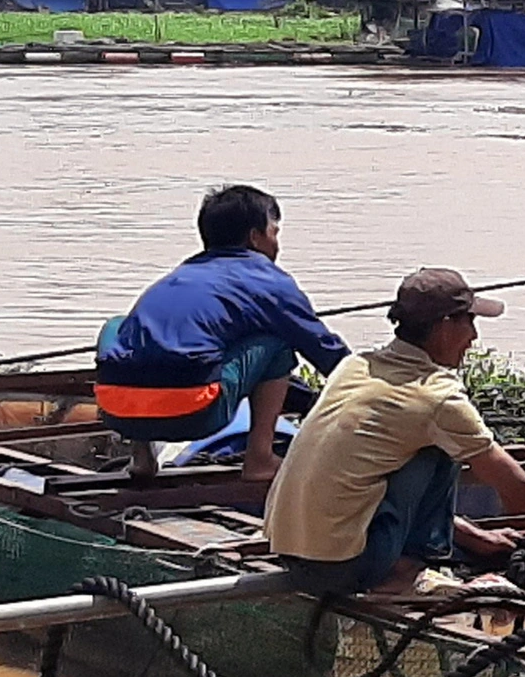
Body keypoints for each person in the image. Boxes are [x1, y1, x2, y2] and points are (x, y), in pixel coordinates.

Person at [264, 267, 525, 594]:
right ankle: (406, 571)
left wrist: (476, 538)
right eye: (470, 321)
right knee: (443, 447)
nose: (475, 337)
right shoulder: (436, 397)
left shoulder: (355, 367)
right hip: (345, 567)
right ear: (445, 326)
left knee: (416, 446)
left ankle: (414, 556)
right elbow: (522, 491)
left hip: (288, 550)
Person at [96, 185, 350, 482]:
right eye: (274, 233)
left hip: (118, 413)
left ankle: (141, 458)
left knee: (117, 325)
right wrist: (374, 383)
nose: (276, 244)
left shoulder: (178, 275)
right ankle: (260, 459)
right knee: (278, 341)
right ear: (255, 237)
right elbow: (324, 349)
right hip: (195, 413)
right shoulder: (269, 280)